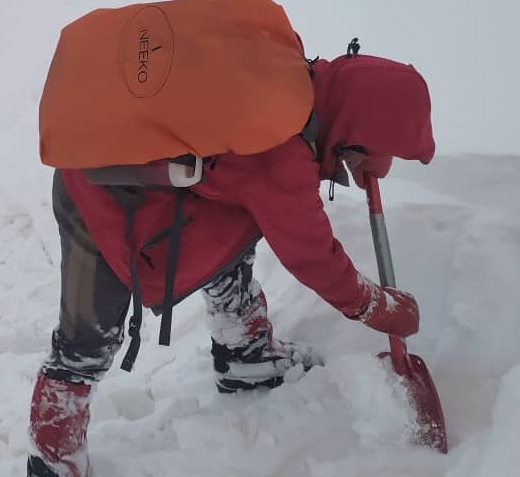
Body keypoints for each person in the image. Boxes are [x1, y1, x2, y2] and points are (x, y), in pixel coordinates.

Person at [27, 43, 434, 477]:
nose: (364, 161)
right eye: (371, 147)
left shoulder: (289, 76)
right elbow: (312, 254)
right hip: (93, 187)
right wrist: (375, 307)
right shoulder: (280, 145)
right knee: (87, 339)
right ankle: (53, 454)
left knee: (235, 224)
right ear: (356, 124)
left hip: (154, 180)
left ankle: (246, 354)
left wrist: (362, 152)